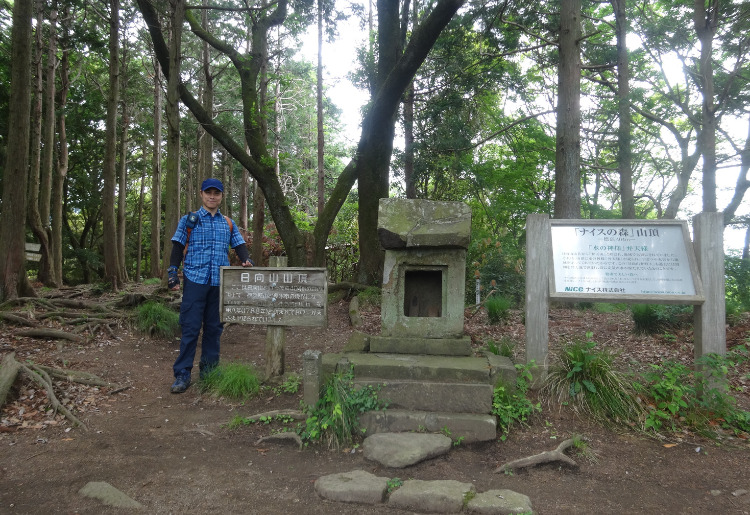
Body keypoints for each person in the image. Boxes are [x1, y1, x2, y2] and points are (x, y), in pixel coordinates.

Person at [167, 178, 253, 394]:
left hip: (219, 283)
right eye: (208, 193)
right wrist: (172, 273)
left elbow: (239, 244)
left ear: (222, 196)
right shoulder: (189, 220)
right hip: (195, 280)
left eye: (216, 193)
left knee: (214, 329)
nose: (212, 196)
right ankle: (182, 374)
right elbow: (177, 246)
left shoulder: (228, 223)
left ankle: (209, 371)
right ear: (201, 194)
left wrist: (245, 259)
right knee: (190, 328)